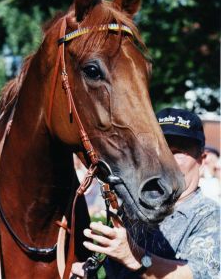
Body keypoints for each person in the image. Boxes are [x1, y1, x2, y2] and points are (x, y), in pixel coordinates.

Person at [71, 108, 220, 279]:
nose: (166, 160)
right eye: (158, 149)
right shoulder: (136, 208)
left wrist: (136, 258)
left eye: (177, 152)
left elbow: (197, 274)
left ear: (202, 160)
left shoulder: (210, 216)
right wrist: (89, 272)